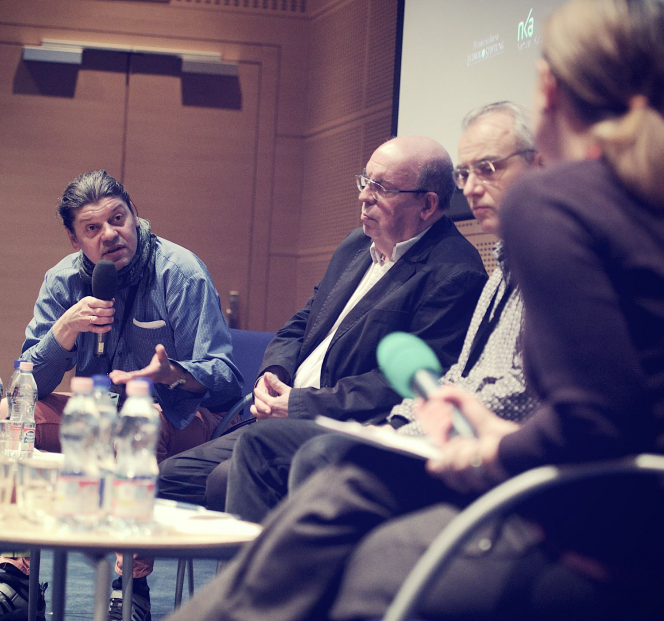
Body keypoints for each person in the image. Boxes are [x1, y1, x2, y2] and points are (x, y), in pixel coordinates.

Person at [50, 0, 664, 621]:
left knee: (334, 553)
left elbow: (596, 423)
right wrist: (481, 427)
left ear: (550, 89)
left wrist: (488, 447)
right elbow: (632, 408)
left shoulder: (560, 208)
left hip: (605, 560)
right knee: (352, 488)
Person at [0, 171, 244, 621]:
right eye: (92, 228)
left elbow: (225, 378)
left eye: (118, 219)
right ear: (75, 238)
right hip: (98, 413)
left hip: (180, 418)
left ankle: (131, 588)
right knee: (13, 418)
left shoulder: (179, 272)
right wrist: (63, 332)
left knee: (135, 428)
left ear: (134, 214)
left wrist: (173, 374)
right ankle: (18, 583)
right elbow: (30, 387)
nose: (110, 234)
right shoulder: (62, 279)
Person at [224, 101, 540, 524]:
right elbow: (458, 376)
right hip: (389, 422)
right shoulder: (501, 268)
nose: (471, 189)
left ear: (540, 165)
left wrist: (405, 424)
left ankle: (272, 570)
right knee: (203, 464)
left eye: (488, 168)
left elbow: (513, 392)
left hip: (481, 454)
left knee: (306, 455)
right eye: (465, 174)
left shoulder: (485, 270)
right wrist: (276, 374)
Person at [156, 135, 487, 509]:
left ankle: (265, 550)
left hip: (342, 427)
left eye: (382, 188)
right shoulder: (355, 245)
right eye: (366, 181)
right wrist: (273, 374)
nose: (364, 196)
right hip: (282, 415)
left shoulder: (454, 272)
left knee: (223, 481)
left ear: (427, 204)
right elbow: (302, 323)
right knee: (168, 478)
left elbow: (408, 384)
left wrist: (300, 403)